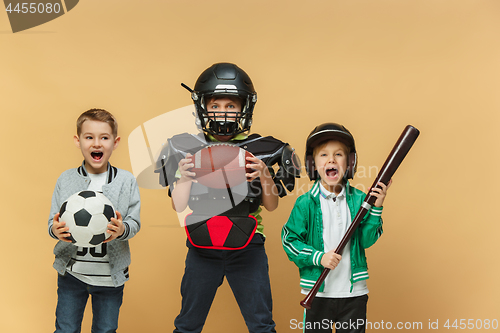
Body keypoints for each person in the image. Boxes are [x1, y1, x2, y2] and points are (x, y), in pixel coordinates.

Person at [155, 62, 301, 333]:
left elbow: (271, 206)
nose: (223, 112)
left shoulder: (261, 150)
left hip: (249, 247)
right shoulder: (185, 147)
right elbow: (179, 204)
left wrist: (263, 174)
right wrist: (186, 177)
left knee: (261, 324)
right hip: (202, 247)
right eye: (216, 105)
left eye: (231, 105)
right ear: (203, 107)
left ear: (244, 108)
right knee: (187, 324)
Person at [281, 123, 390, 333]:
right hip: (318, 293)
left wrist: (376, 207)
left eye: (338, 154)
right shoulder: (306, 203)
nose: (331, 160)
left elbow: (366, 240)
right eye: (323, 155)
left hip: (353, 294)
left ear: (349, 162)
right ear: (313, 164)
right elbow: (289, 241)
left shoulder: (360, 200)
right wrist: (318, 257)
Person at [48, 108, 141, 333]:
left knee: (105, 330)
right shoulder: (66, 179)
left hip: (110, 278)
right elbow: (52, 221)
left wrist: (122, 229)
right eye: (89, 137)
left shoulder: (126, 181)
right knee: (65, 329)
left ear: (115, 142)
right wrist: (56, 230)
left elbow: (134, 223)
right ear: (77, 141)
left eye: (104, 138)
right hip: (72, 274)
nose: (96, 144)